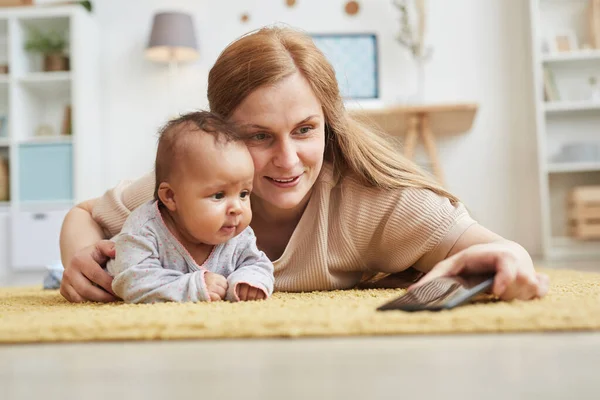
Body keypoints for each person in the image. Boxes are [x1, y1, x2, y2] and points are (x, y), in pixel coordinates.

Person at [59, 26, 549, 304]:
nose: (288, 160)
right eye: (258, 136)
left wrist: (512, 259)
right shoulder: (188, 192)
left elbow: (494, 249)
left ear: (328, 125)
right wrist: (80, 258)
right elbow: (82, 214)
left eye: (304, 130)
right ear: (221, 137)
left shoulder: (370, 202)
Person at [106, 111, 274, 303]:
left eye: (244, 194)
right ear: (171, 197)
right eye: (218, 195)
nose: (237, 208)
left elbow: (258, 264)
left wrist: (248, 281)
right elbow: (134, 283)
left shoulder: (238, 234)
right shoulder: (144, 230)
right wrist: (193, 286)